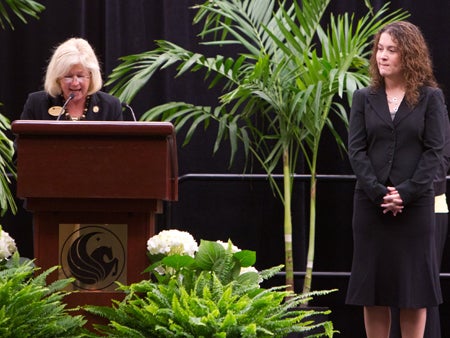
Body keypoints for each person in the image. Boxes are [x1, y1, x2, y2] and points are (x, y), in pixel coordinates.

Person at [346, 21, 447, 338]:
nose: (383, 56)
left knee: (412, 291)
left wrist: (405, 193)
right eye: (380, 48)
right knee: (372, 289)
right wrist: (379, 193)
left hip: (415, 207)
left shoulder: (430, 99)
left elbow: (435, 152)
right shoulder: (364, 97)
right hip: (370, 205)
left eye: (392, 50)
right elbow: (356, 150)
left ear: (410, 55)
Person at [20, 37, 123, 121]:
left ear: (91, 76)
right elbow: (21, 144)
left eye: (80, 76)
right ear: (57, 77)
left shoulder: (110, 106)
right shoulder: (37, 103)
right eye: (68, 76)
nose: (75, 83)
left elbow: (120, 146)